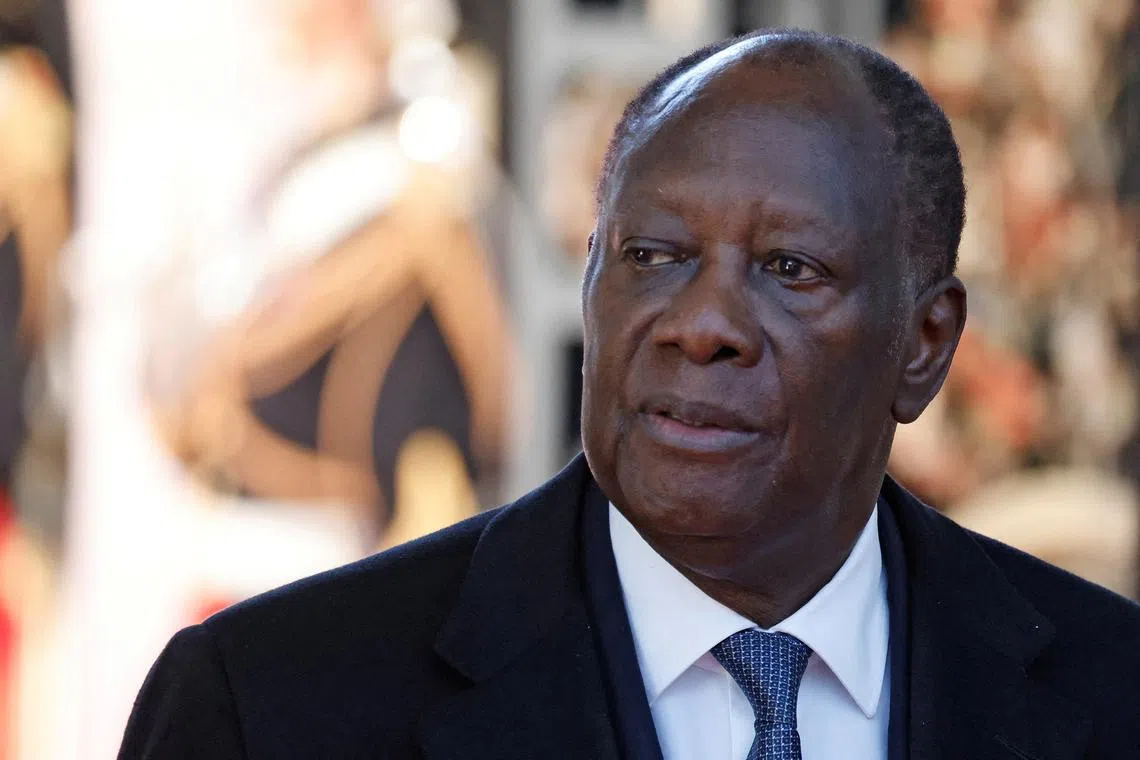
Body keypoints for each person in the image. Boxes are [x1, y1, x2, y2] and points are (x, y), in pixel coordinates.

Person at [118, 29, 1140, 760]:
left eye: (788, 269)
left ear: (925, 343)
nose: (702, 323)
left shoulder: (1110, 691)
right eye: (652, 254)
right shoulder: (270, 707)